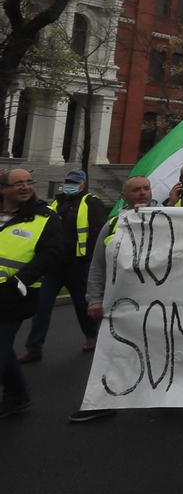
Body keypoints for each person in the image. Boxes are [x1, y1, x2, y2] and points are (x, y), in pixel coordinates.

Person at [70, 175, 152, 423]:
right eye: (136, 189)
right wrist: (94, 298)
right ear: (124, 196)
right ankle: (101, 401)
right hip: (123, 304)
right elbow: (98, 265)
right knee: (113, 353)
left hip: (159, 304)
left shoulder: (168, 217)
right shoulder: (114, 224)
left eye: (146, 188)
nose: (142, 193)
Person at [0, 168, 66, 418]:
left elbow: (51, 254)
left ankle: (16, 396)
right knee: (4, 349)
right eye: (18, 184)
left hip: (13, 295)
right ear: (3, 188)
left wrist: (18, 282)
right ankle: (17, 395)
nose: (25, 187)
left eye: (29, 182)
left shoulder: (45, 217)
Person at [22, 170, 106, 362]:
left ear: (83, 184)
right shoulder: (57, 203)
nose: (70, 184)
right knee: (41, 305)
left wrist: (88, 260)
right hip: (54, 265)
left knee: (82, 304)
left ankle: (92, 337)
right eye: (68, 181)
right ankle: (33, 347)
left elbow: (98, 233)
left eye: (74, 182)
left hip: (77, 264)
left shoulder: (90, 202)